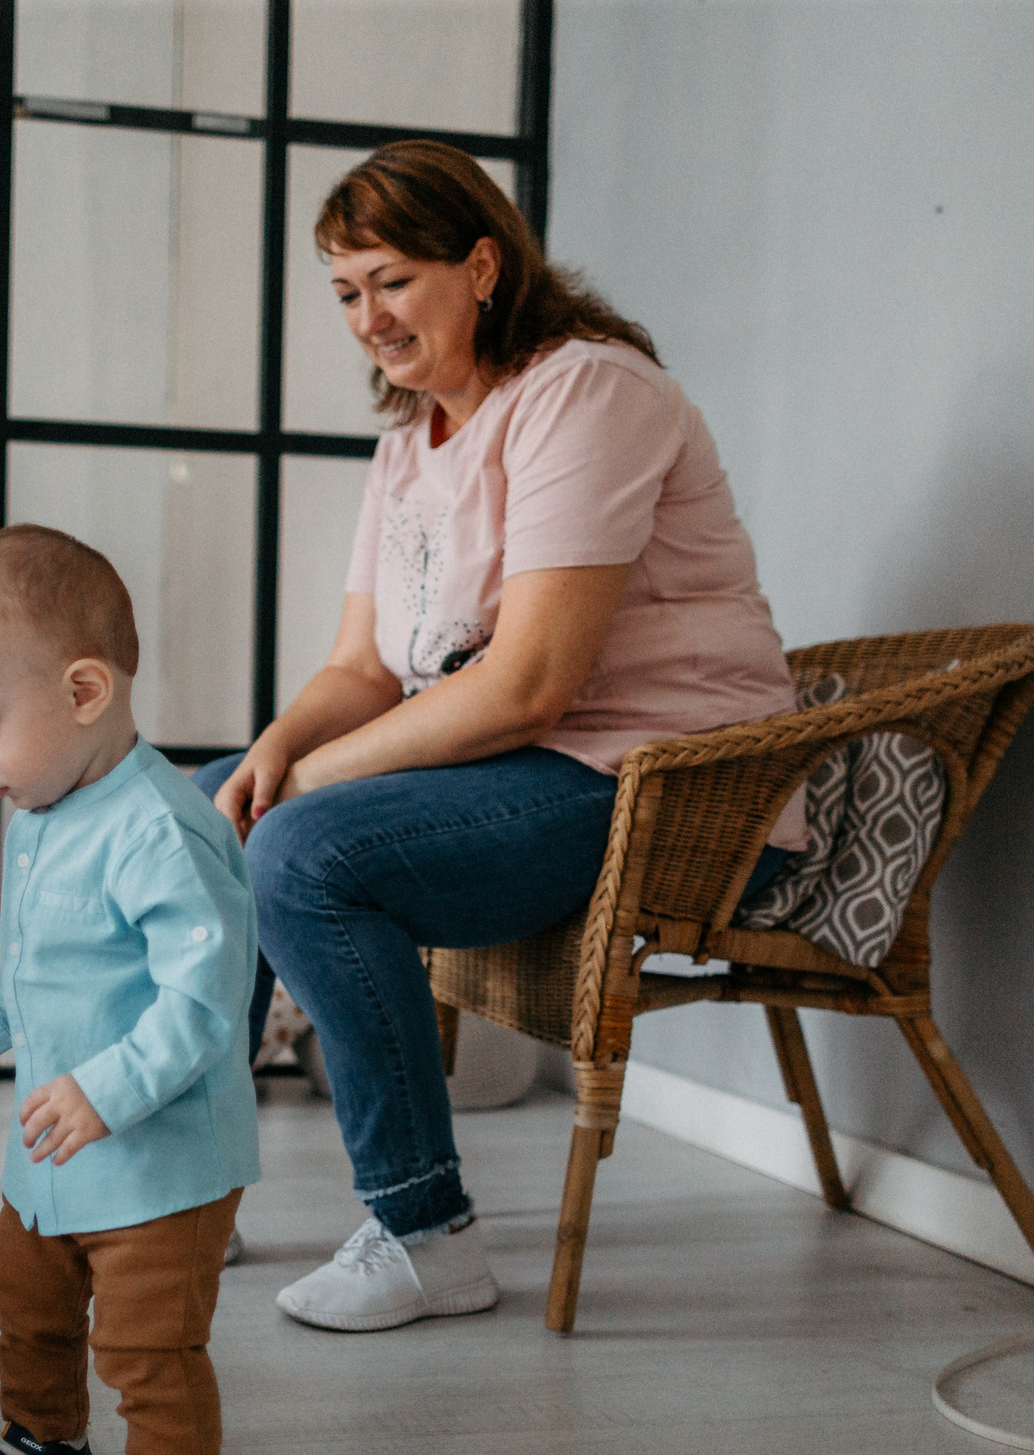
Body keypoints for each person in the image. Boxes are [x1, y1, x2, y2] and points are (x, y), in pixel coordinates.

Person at [197, 140, 803, 1335]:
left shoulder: (589, 391)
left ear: (480, 266)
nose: (366, 317)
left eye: (390, 280)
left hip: (665, 780)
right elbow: (364, 668)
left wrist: (305, 788)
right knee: (203, 812)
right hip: (529, 769)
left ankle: (426, 1235)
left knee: (301, 853)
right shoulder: (405, 447)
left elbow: (528, 684)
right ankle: (193, 1184)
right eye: (343, 292)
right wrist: (272, 751)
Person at [0, 525, 258, 1455]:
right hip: (53, 1157)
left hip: (156, 1164)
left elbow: (203, 1003)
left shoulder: (163, 828)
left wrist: (109, 1090)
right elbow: (48, 969)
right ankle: (45, 1441)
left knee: (148, 1350)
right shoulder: (45, 817)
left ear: (83, 690)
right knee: (27, 1299)